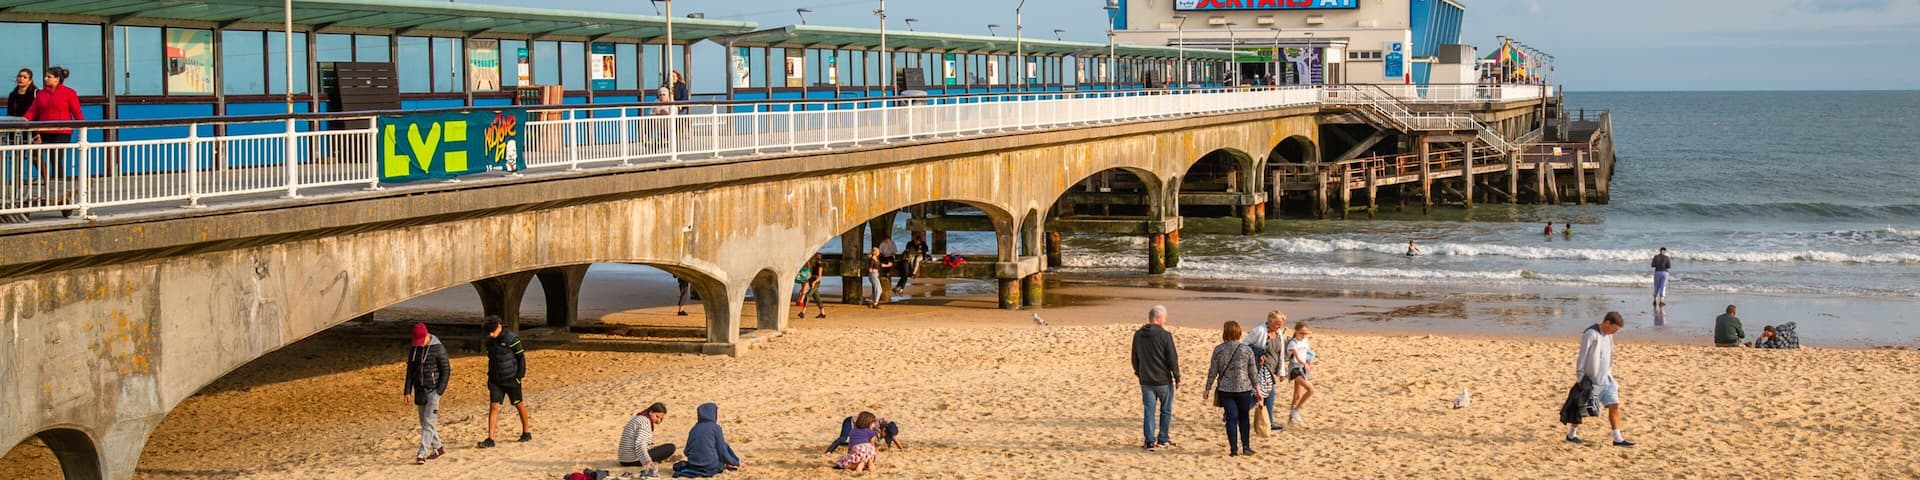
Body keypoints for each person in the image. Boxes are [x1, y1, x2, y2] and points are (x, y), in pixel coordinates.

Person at [1568, 312, 1634, 447]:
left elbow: (1609, 355)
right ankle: (1571, 434)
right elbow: (1582, 356)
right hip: (1591, 380)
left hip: (1607, 379)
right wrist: (1580, 378)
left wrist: (1610, 373)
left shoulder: (1609, 336)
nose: (1615, 332)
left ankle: (1618, 438)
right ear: (1607, 323)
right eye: (1614, 329)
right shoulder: (1591, 334)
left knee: (1614, 406)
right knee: (1582, 409)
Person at [1203, 321, 1263, 456]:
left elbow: (1213, 371)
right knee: (1244, 417)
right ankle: (1246, 447)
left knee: (1231, 419)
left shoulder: (1219, 350)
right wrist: (1258, 389)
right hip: (1244, 389)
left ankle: (1234, 449)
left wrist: (1207, 388)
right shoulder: (1246, 349)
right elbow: (1253, 372)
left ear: (1225, 333)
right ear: (1239, 332)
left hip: (1226, 390)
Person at [23, 66, 80, 194]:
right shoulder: (41, 94)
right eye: (46, 76)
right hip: (43, 131)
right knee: (35, 156)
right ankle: (47, 183)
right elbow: (32, 112)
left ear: (57, 79)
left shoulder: (69, 93)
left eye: (49, 76)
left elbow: (76, 112)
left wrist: (83, 128)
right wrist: (23, 121)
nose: (45, 78)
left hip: (61, 132)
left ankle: (59, 188)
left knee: (55, 158)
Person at [1130, 305, 1180, 451]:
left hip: (1146, 379)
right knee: (1165, 410)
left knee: (1149, 410)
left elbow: (1134, 357)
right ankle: (1162, 438)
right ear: (1158, 318)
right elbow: (1172, 359)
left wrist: (1139, 372)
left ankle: (1149, 440)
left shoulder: (1138, 335)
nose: (1166, 320)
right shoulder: (1165, 335)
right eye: (1165, 318)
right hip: (1162, 380)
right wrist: (1177, 377)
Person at [478, 316, 532, 448]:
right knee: (494, 406)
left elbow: (521, 358)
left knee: (518, 404)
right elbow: (491, 358)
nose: (490, 334)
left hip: (512, 379)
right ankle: (490, 438)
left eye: (492, 332)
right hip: (496, 380)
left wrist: (519, 377)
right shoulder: (490, 340)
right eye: (488, 332)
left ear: (498, 327)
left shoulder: (512, 339)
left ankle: (526, 432)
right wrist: (490, 378)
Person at [403, 323, 451, 465]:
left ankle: (422, 453)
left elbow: (446, 371)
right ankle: (438, 448)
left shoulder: (439, 349)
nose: (419, 345)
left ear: (427, 335)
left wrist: (439, 392)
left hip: (433, 390)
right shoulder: (415, 349)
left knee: (429, 422)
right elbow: (410, 371)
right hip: (419, 390)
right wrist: (407, 391)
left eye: (421, 341)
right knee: (425, 423)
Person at [1243, 311, 1287, 431]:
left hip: (1271, 368)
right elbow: (1244, 345)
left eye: (1281, 324)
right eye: (1278, 324)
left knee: (1264, 394)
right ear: (1270, 321)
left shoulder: (1278, 333)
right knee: (1266, 393)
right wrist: (1258, 352)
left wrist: (1281, 371)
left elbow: (1281, 354)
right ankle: (1270, 422)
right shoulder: (1259, 331)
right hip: (1259, 367)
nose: (1280, 327)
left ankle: (1234, 414)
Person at [673, 403, 741, 477]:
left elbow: (686, 451)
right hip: (710, 467)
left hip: (693, 466)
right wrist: (734, 462)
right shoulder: (715, 428)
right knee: (725, 445)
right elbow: (722, 451)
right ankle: (737, 461)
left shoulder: (694, 429)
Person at [619, 403, 677, 476]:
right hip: (632, 460)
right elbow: (640, 443)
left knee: (656, 448)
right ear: (651, 412)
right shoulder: (645, 422)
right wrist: (647, 461)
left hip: (623, 459)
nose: (658, 421)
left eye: (661, 419)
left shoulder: (639, 417)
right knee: (670, 448)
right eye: (657, 417)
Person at [1284, 322, 1318, 427]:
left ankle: (1291, 420)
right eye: (1301, 333)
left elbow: (1307, 353)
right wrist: (1304, 363)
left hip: (1303, 368)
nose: (1303, 335)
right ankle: (1296, 411)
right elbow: (1297, 356)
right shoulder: (1293, 343)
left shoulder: (1305, 341)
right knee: (1311, 390)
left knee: (1297, 395)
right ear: (1296, 331)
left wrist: (1308, 363)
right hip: (1295, 369)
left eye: (1305, 333)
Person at [827, 414, 902, 453]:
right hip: (850, 421)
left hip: (857, 426)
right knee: (843, 438)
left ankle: (843, 444)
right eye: (885, 436)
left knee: (851, 442)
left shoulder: (887, 426)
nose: (884, 437)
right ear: (884, 430)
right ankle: (829, 451)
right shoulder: (875, 427)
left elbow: (893, 437)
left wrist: (901, 448)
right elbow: (872, 441)